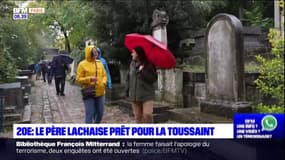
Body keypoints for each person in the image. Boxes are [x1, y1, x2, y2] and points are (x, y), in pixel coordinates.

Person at [126, 47, 157, 123]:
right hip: (134, 96)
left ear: (138, 54)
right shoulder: (132, 64)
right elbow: (128, 78)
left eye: (133, 52)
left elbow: (153, 79)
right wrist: (127, 90)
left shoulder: (149, 64)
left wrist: (142, 71)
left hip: (147, 95)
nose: (131, 54)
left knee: (147, 115)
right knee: (138, 117)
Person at [76, 45, 107, 123]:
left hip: (100, 92)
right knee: (90, 114)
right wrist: (89, 79)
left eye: (97, 52)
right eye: (94, 52)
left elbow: (104, 75)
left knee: (100, 113)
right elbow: (78, 79)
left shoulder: (99, 63)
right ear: (89, 53)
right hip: (89, 92)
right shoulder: (82, 64)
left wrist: (103, 83)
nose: (96, 53)